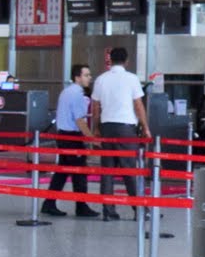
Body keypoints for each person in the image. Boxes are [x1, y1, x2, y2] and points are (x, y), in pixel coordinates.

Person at [90, 47, 146, 221]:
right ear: (126, 61)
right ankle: (139, 210)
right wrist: (146, 126)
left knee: (107, 170)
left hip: (107, 127)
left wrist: (96, 128)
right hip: (125, 129)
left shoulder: (101, 79)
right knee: (129, 169)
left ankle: (108, 210)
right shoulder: (132, 79)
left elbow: (95, 107)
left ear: (110, 60)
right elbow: (138, 105)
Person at [42, 63, 98, 218]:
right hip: (72, 137)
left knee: (62, 172)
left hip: (62, 135)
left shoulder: (66, 92)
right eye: (86, 75)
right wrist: (91, 139)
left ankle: (49, 203)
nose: (89, 78)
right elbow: (80, 120)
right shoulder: (77, 94)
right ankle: (81, 206)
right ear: (77, 77)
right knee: (79, 173)